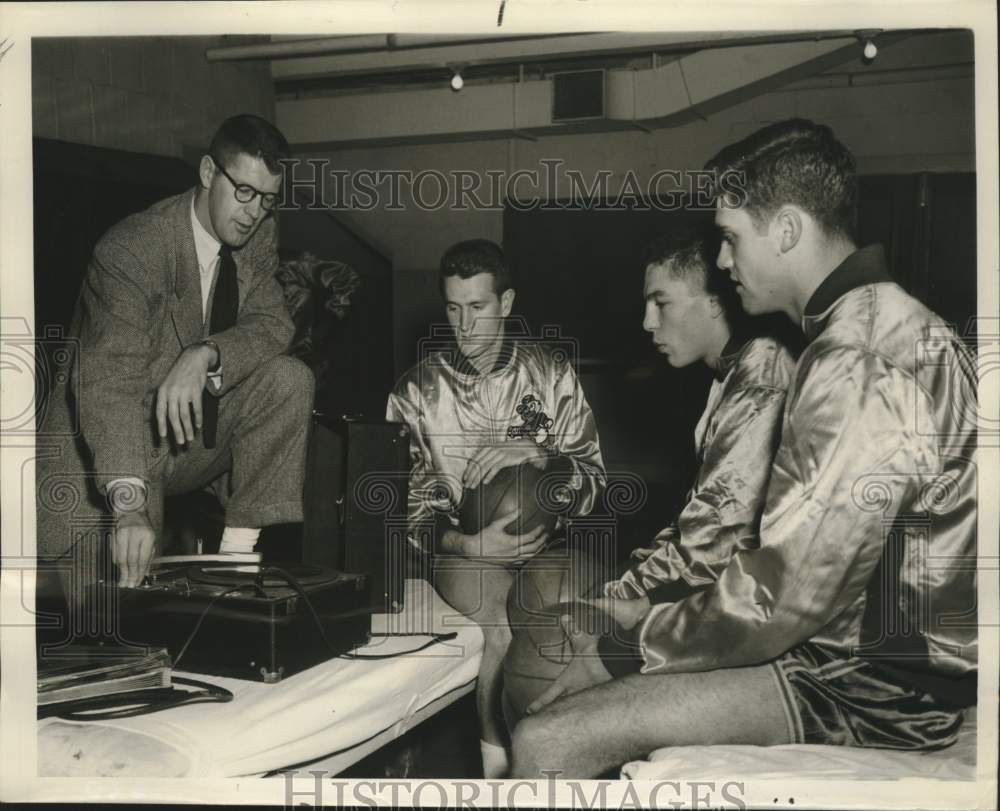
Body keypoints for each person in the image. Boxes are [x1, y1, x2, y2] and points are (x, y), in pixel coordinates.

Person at [510, 119, 978, 779]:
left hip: (869, 689)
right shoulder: (883, 322)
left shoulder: (856, 357)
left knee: (543, 741)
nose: (724, 261)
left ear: (786, 230)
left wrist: (622, 648)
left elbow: (780, 600)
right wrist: (649, 608)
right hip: (858, 657)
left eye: (731, 237)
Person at [502, 219, 797, 722]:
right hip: (719, 587)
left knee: (546, 659)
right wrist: (625, 587)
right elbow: (699, 520)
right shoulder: (729, 376)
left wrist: (628, 597)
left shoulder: (762, 372)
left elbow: (719, 537)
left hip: (752, 607)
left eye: (660, 303)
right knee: (553, 598)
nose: (646, 322)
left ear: (715, 301)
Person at [36, 114, 313, 609]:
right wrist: (127, 508)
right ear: (208, 173)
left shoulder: (256, 237)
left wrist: (205, 354)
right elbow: (107, 384)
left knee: (289, 380)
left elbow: (274, 325)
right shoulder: (133, 249)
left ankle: (234, 562)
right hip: (97, 453)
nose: (254, 213)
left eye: (268, 198)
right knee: (109, 629)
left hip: (181, 438)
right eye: (244, 191)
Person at [386, 238, 606, 777]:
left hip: (542, 543)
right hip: (467, 549)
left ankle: (563, 766)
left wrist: (544, 454)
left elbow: (595, 481)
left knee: (564, 624)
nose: (464, 325)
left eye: (478, 307)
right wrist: (465, 542)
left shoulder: (549, 372)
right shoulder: (416, 391)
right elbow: (402, 512)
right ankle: (497, 775)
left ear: (505, 303)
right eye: (453, 309)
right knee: (500, 631)